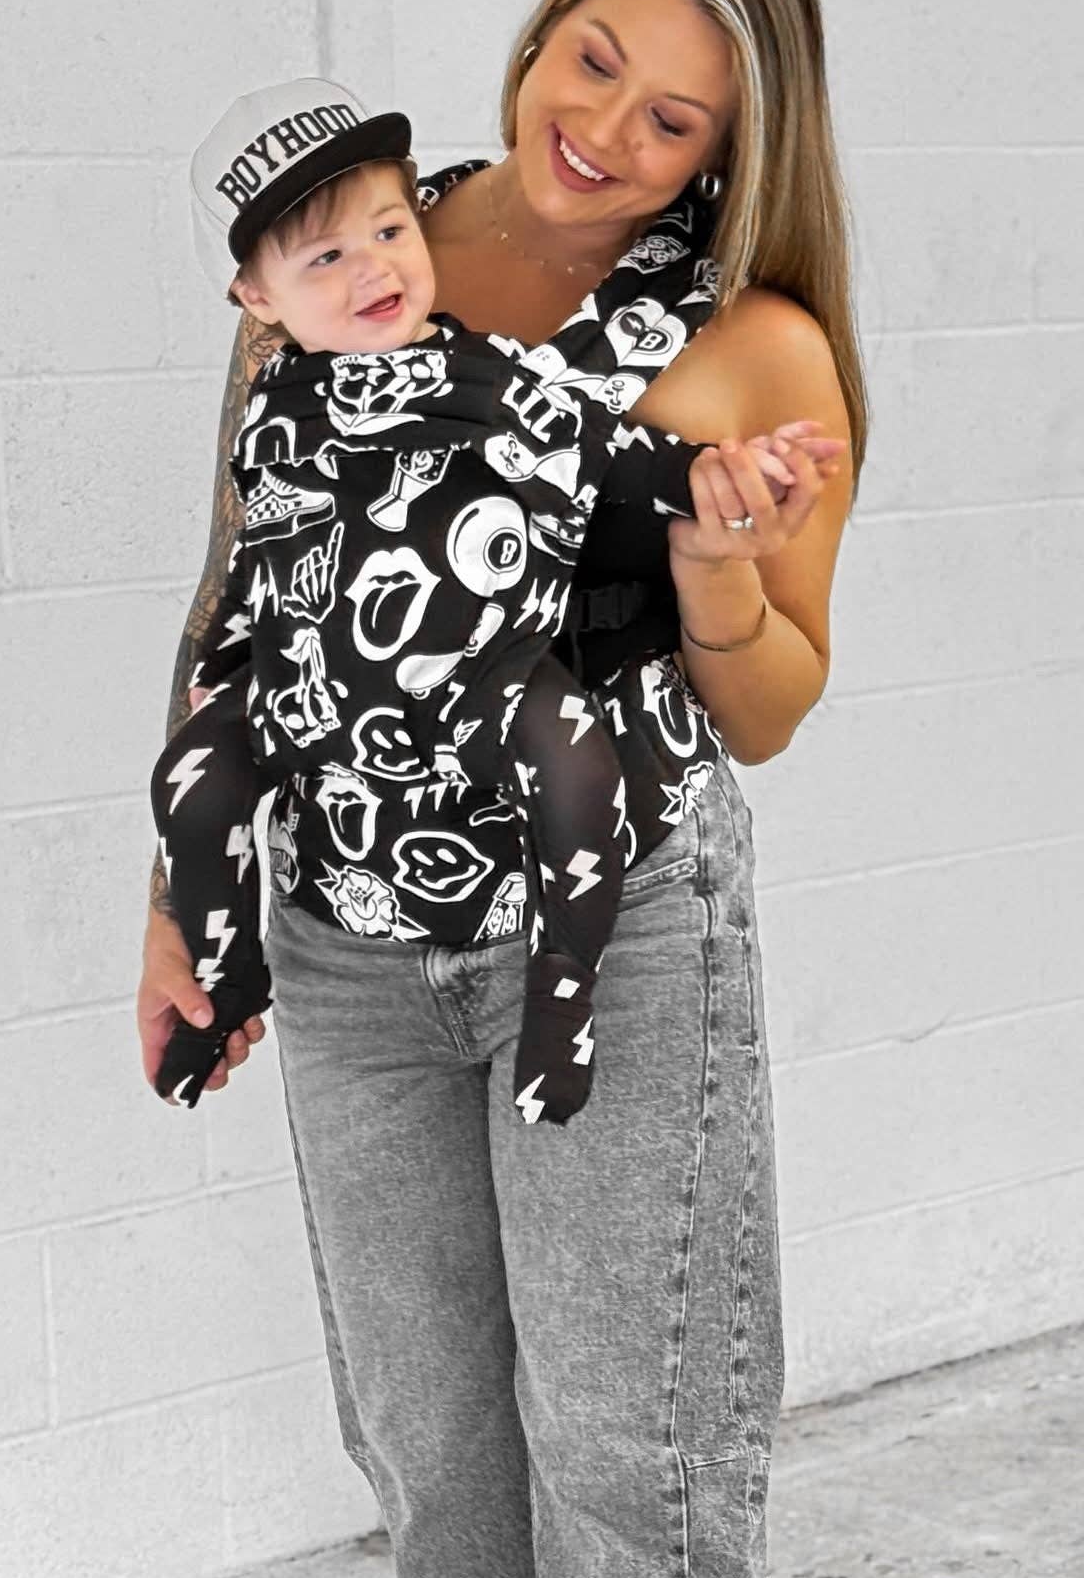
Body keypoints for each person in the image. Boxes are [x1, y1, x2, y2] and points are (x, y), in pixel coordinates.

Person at [136, 0, 865, 1578]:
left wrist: (712, 570)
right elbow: (247, 584)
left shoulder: (752, 343)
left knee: (629, 1454)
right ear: (545, 26)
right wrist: (182, 899)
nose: (605, 130)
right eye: (593, 61)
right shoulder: (351, 236)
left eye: (673, 119)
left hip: (618, 923)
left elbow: (772, 704)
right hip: (344, 941)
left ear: (728, 154)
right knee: (430, 1451)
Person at [147, 77, 841, 1120]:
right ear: (258, 298)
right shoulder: (272, 416)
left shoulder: (484, 377)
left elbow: (605, 455)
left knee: (577, 771)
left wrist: (716, 473)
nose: (374, 266)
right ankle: (227, 971)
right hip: (316, 698)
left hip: (476, 681)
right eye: (325, 257)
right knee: (191, 780)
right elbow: (249, 568)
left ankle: (562, 993)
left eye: (391, 229)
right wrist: (227, 682)